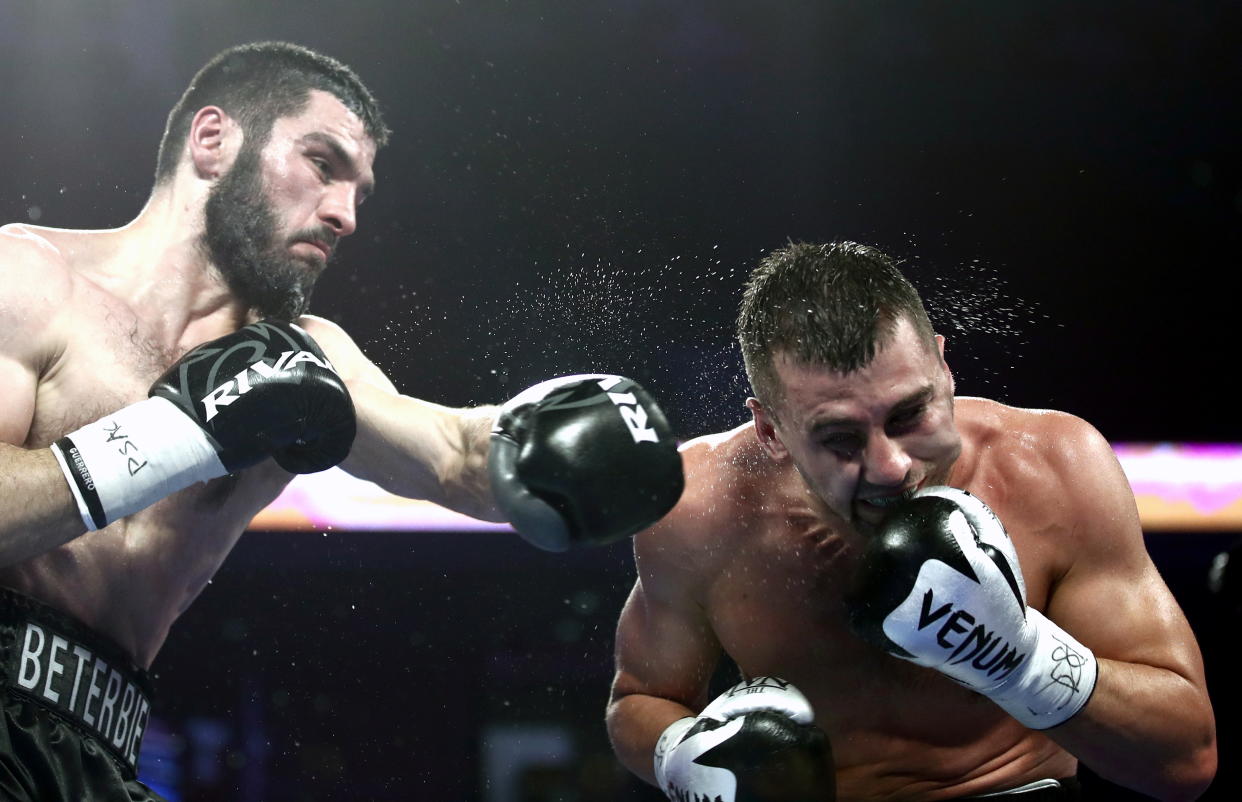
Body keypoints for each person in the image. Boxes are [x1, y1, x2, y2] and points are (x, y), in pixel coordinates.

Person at [0, 42, 683, 801]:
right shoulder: (30, 281)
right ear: (213, 140)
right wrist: (171, 435)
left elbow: (455, 455)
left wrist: (573, 445)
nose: (345, 214)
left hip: (95, 748)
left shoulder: (306, 359)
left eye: (361, 190)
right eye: (324, 164)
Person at [606, 241, 1217, 801]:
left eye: (909, 415)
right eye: (840, 438)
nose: (892, 467)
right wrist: (682, 759)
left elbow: (1184, 761)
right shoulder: (699, 510)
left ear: (944, 369)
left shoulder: (1053, 467)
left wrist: (1019, 660)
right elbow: (642, 698)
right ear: (771, 430)